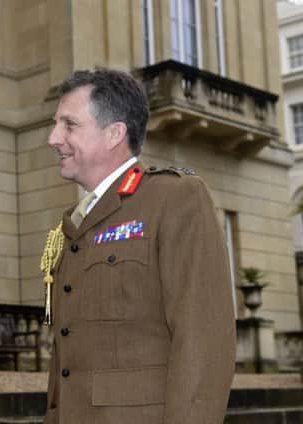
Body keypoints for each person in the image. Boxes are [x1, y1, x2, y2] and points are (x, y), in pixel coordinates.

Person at [41, 68, 236, 423]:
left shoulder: (174, 198)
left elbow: (203, 343)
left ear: (114, 133)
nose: (54, 138)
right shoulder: (72, 221)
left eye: (69, 125)